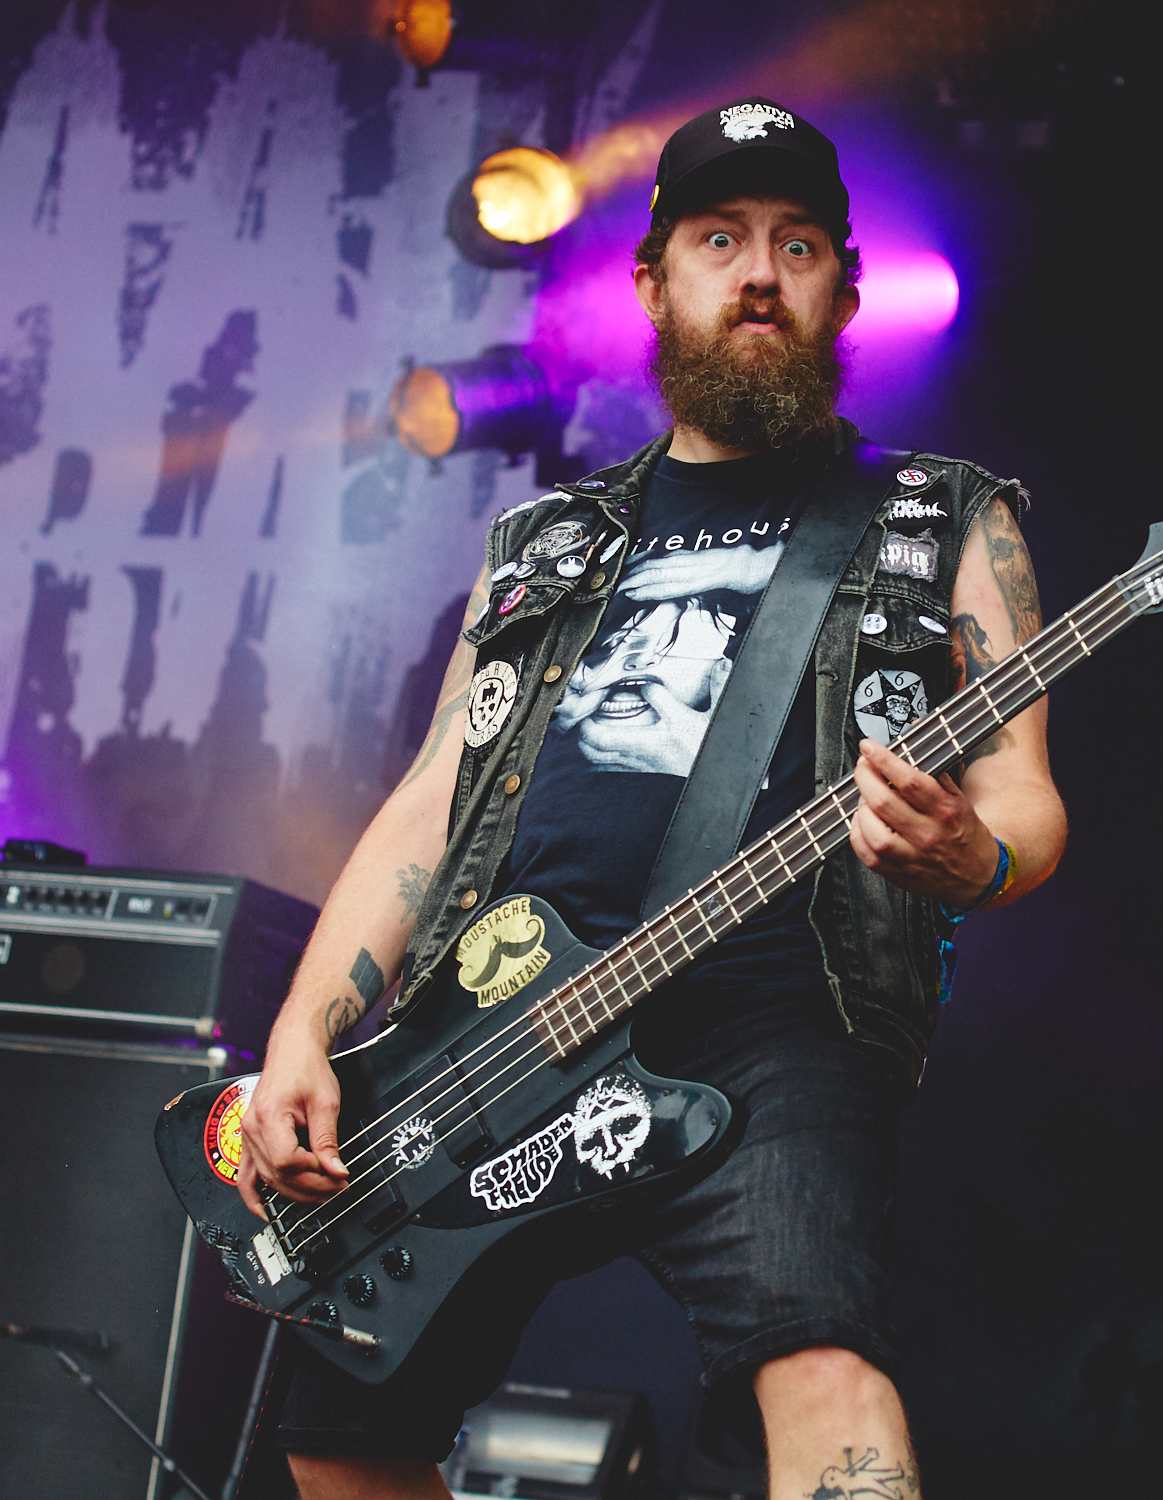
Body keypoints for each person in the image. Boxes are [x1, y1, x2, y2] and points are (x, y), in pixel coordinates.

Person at [239, 96, 1067, 1500]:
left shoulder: (941, 516)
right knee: (341, 1436)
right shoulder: (546, 541)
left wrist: (973, 857)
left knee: (823, 1366)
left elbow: (1028, 807)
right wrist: (306, 1029)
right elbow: (432, 804)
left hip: (775, 1013)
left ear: (844, 288)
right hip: (500, 1025)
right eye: (720, 238)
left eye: (798, 244)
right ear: (652, 279)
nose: (761, 273)